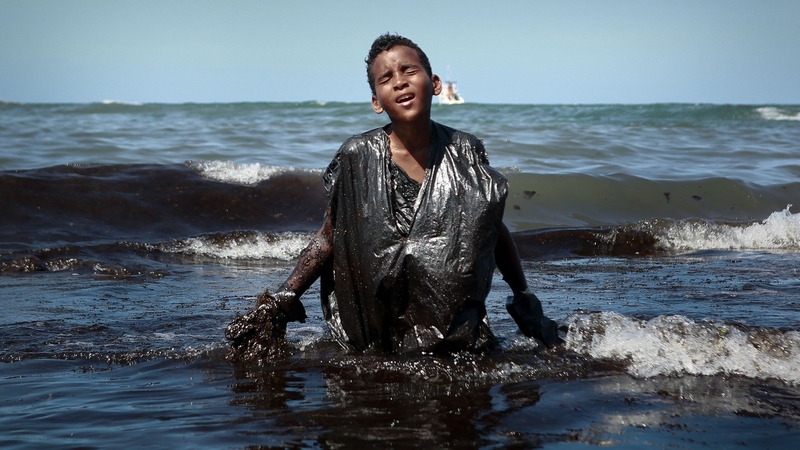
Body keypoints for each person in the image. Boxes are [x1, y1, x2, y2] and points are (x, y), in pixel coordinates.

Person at [227, 33, 563, 358]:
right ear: (376, 101)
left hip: (455, 334)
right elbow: (331, 236)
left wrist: (523, 295)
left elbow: (490, 227)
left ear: (434, 84)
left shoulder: (465, 150)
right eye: (386, 78)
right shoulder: (356, 155)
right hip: (377, 336)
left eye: (408, 70)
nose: (399, 81)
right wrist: (283, 299)